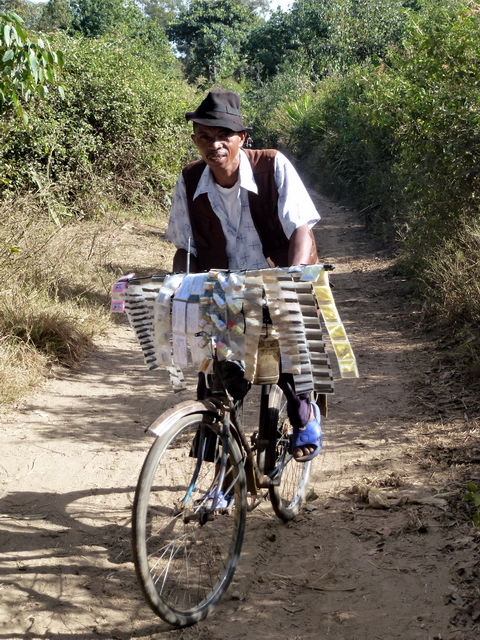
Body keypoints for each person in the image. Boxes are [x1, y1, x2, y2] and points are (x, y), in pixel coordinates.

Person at [166, 88, 322, 462]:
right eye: (205, 137)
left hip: (276, 280)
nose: (214, 145)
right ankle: (220, 468)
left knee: (285, 361)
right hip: (225, 291)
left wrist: (293, 277)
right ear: (195, 141)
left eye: (224, 136)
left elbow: (300, 227)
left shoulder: (272, 166)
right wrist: (179, 289)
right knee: (219, 378)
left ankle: (306, 417)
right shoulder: (189, 182)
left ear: (242, 138)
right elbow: (184, 247)